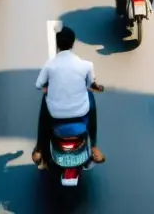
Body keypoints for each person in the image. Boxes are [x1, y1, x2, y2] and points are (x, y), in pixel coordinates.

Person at [31, 26, 105, 167]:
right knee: (90, 96)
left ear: (58, 45)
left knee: (45, 100)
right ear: (73, 43)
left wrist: (47, 89)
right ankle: (94, 146)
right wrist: (96, 87)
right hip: (81, 114)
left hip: (55, 115)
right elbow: (91, 84)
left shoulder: (50, 65)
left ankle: (39, 148)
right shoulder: (86, 65)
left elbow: (39, 85)